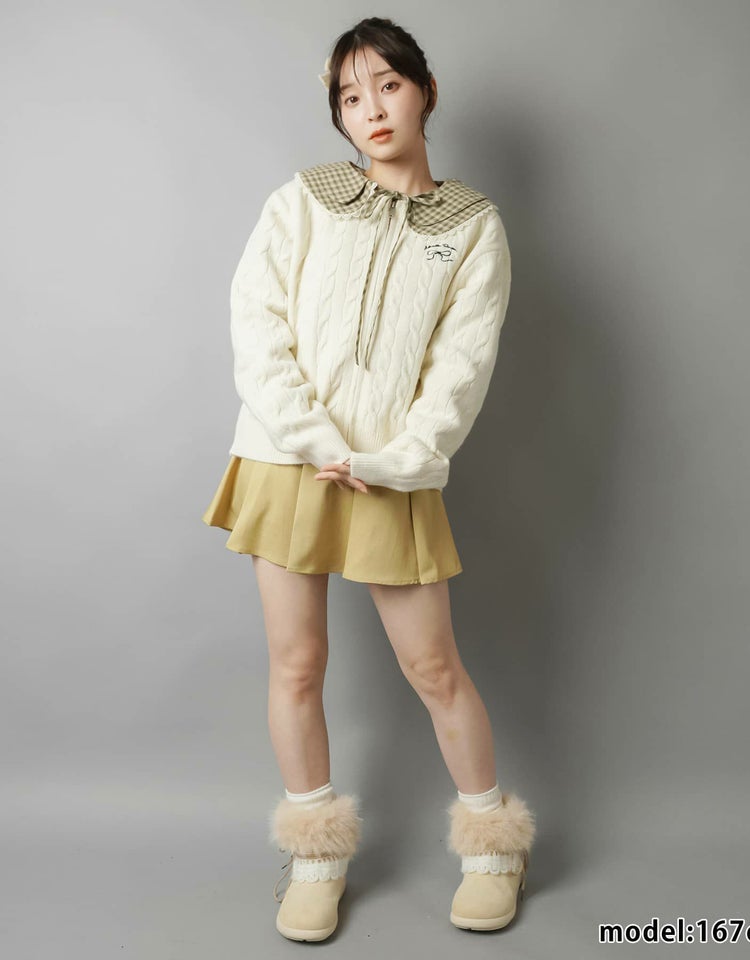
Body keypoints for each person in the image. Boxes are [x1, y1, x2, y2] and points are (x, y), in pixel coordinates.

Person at [201, 16, 536, 943]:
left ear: (425, 91)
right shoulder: (302, 201)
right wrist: (313, 438)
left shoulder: (472, 228)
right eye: (350, 96)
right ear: (340, 116)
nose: (372, 109)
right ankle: (316, 857)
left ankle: (493, 849)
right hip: (285, 456)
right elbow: (257, 326)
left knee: (433, 666)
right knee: (297, 663)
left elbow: (461, 367)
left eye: (388, 85)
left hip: (392, 472)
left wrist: (400, 458)